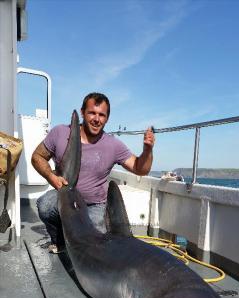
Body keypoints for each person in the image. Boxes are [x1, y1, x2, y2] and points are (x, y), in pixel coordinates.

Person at [31, 92, 155, 253]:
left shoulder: (113, 145)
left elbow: (140, 168)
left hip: (94, 205)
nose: (97, 119)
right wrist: (51, 177)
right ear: (83, 112)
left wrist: (147, 151)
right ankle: (59, 241)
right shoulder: (60, 133)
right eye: (92, 113)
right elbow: (37, 156)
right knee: (45, 206)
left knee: (93, 248)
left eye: (102, 115)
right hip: (65, 198)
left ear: (107, 118)